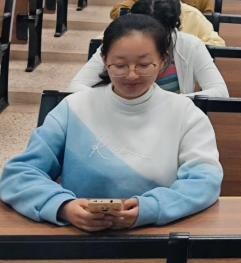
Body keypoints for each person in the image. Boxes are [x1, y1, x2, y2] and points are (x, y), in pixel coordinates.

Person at [1, 14, 223, 230]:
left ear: (163, 61)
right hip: (78, 235)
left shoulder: (186, 114)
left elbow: (205, 181)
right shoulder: (74, 108)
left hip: (156, 235)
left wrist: (152, 208)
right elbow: (19, 174)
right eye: (120, 65)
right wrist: (62, 206)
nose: (132, 75)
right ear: (104, 60)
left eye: (144, 65)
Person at [71, 0, 228, 97]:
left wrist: (170, 102)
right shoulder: (119, 43)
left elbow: (219, 91)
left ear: (171, 30)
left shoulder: (190, 45)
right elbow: (75, 88)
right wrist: (115, 101)